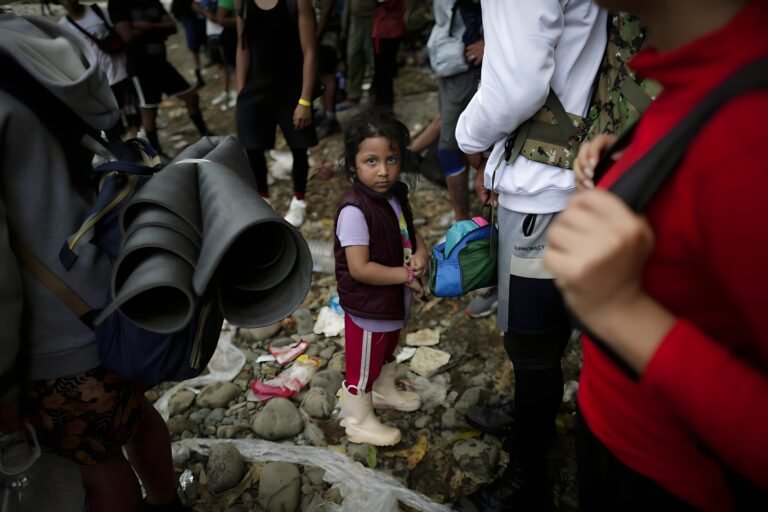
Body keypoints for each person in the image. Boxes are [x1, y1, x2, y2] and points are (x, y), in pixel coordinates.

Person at [543, 0, 768, 509]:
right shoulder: (705, 62)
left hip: (666, 479)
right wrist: (625, 164)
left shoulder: (752, 136)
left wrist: (620, 309)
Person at [0, 13, 181, 512]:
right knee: (136, 415)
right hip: (118, 283)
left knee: (96, 461)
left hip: (54, 327)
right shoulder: (36, 37)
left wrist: (2, 387)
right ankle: (169, 504)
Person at [454, 1, 607, 509]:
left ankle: (528, 479)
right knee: (550, 325)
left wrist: (467, 136)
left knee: (530, 340)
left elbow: (518, 85)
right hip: (576, 163)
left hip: (544, 181)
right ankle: (530, 414)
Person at [334, 107, 428, 446]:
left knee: (389, 349)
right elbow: (360, 268)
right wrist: (405, 273)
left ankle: (385, 390)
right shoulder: (354, 211)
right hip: (368, 306)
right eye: (371, 161)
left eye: (391, 159)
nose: (384, 171)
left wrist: (421, 253)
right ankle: (357, 417)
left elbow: (409, 232)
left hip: (393, 298)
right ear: (353, 164)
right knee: (363, 365)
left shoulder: (395, 195)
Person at [234, 0, 318, 227]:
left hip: (292, 89)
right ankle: (264, 201)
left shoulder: (297, 2)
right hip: (256, 87)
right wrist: (241, 91)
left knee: (299, 147)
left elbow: (309, 50)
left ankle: (299, 201)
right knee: (252, 147)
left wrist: (305, 99)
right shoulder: (241, 2)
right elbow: (243, 45)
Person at [109, 0, 211, 157]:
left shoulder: (152, 1)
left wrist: (146, 26)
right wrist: (158, 28)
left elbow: (172, 27)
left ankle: (205, 134)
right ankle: (156, 152)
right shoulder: (118, 4)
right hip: (140, 68)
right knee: (149, 112)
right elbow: (127, 36)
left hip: (161, 63)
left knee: (191, 96)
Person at [427, 0, 483, 223]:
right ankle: (464, 219)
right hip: (449, 60)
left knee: (455, 148)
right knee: (454, 145)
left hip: (469, 66)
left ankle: (465, 222)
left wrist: (490, 43)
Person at [58, 0, 141, 141]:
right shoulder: (62, 27)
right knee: (113, 125)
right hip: (99, 83)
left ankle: (138, 145)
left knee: (134, 115)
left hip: (123, 73)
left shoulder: (99, 12)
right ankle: (124, 154)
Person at [339, 0, 373, 110]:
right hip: (355, 22)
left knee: (372, 59)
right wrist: (344, 24)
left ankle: (375, 93)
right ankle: (353, 95)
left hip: (371, 20)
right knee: (353, 57)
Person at [371, 0, 405, 110]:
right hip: (394, 28)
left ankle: (384, 107)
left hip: (385, 31)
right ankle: (385, 105)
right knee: (386, 73)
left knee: (382, 73)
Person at [171, 0, 207, 89]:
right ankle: (199, 76)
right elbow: (196, 8)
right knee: (197, 50)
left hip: (191, 23)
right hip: (194, 23)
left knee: (195, 52)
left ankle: (199, 76)